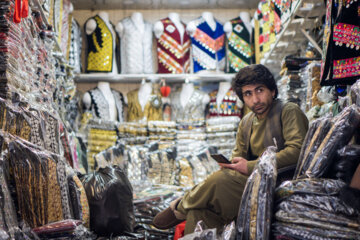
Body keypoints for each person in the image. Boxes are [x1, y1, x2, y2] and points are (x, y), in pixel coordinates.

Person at [152, 64, 309, 234]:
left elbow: (297, 151)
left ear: (272, 91)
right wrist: (232, 165)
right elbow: (238, 158)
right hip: (251, 183)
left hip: (278, 182)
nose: (255, 99)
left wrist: (248, 166)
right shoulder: (247, 122)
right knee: (199, 212)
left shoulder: (287, 111)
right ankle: (187, 210)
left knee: (220, 180)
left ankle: (180, 206)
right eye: (248, 94)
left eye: (260, 90)